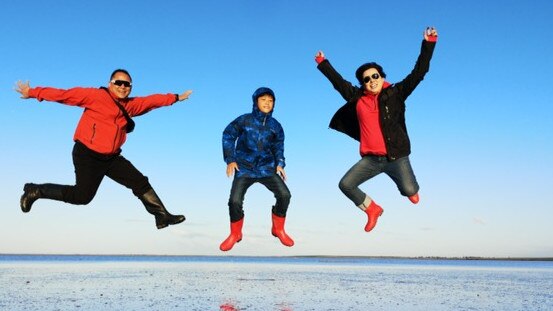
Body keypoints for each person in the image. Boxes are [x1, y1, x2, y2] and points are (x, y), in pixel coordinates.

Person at [15, 69, 193, 229]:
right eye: (119, 83)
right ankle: (36, 190)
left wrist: (176, 97)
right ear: (110, 84)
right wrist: (32, 92)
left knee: (139, 181)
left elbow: (151, 101)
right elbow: (64, 95)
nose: (123, 87)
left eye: (127, 84)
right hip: (87, 153)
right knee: (82, 197)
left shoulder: (129, 106)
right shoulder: (95, 96)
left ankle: (162, 216)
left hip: (111, 157)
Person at [315, 27, 438, 232]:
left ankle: (410, 189)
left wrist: (429, 43)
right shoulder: (357, 98)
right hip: (371, 160)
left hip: (396, 157)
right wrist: (323, 63)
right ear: (362, 83)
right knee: (345, 185)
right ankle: (372, 209)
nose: (372, 81)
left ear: (381, 76)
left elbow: (419, 72)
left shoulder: (397, 93)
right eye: (366, 79)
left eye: (375, 76)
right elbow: (338, 83)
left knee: (410, 191)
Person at [220, 87, 294, 251]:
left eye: (270, 100)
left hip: (267, 168)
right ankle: (235, 233)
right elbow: (228, 135)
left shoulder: (276, 126)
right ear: (256, 102)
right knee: (234, 201)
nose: (267, 103)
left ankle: (278, 228)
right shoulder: (244, 120)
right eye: (263, 100)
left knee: (285, 195)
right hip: (245, 167)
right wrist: (230, 159)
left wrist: (280, 163)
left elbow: (278, 146)